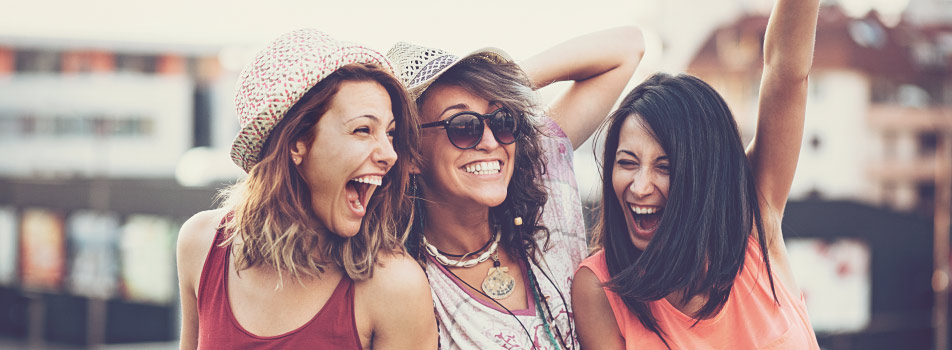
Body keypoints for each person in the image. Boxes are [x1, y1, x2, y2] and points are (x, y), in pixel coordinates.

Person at [572, 0, 821, 349]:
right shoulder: (600, 287)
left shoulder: (751, 225)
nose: (640, 187)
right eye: (627, 162)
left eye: (666, 167)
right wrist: (484, 76)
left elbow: (786, 72)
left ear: (702, 177)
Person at [175, 29, 437, 349]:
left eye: (391, 133)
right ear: (297, 142)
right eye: (363, 129)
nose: (389, 154)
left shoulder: (396, 286)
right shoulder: (201, 244)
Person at [386, 27, 644, 349]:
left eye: (502, 120)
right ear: (410, 154)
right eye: (464, 127)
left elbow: (627, 47)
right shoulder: (404, 286)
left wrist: (500, 84)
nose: (491, 141)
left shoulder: (544, 187)